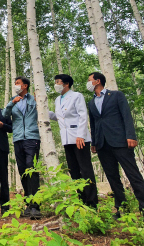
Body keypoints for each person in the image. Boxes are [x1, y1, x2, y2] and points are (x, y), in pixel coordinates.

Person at [87, 72, 144, 224]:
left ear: (98, 81)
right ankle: (121, 208)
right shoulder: (91, 103)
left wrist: (131, 135)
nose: (88, 83)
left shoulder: (116, 96)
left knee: (133, 175)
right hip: (102, 144)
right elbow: (94, 123)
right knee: (112, 178)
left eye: (89, 80)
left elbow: (126, 116)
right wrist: (94, 142)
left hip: (120, 141)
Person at [49, 74, 98, 208]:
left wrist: (81, 135)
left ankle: (92, 202)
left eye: (58, 82)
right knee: (74, 170)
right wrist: (42, 110)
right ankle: (82, 200)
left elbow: (83, 115)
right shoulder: (58, 99)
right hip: (66, 139)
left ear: (66, 84)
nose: (56, 84)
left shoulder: (77, 96)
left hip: (78, 137)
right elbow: (58, 117)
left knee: (85, 169)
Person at [3, 76, 42, 220]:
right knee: (23, 171)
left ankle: (35, 206)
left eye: (18, 84)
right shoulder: (13, 101)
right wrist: (11, 104)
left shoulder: (33, 99)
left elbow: (42, 112)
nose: (16, 86)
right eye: (15, 84)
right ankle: (28, 204)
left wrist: (40, 101)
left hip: (32, 138)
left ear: (25, 85)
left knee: (32, 168)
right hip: (18, 138)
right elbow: (5, 116)